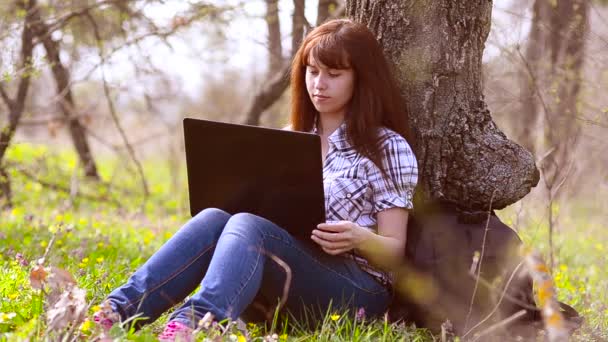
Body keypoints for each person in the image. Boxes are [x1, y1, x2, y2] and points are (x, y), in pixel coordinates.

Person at [94, 18, 418, 341]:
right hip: (279, 271)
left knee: (250, 226)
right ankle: (113, 314)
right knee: (214, 218)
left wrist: (359, 237)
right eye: (312, 71)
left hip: (356, 288)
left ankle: (190, 328)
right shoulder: (289, 139)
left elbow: (395, 250)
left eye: (334, 75)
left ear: (361, 79)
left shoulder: (386, 148)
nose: (320, 83)